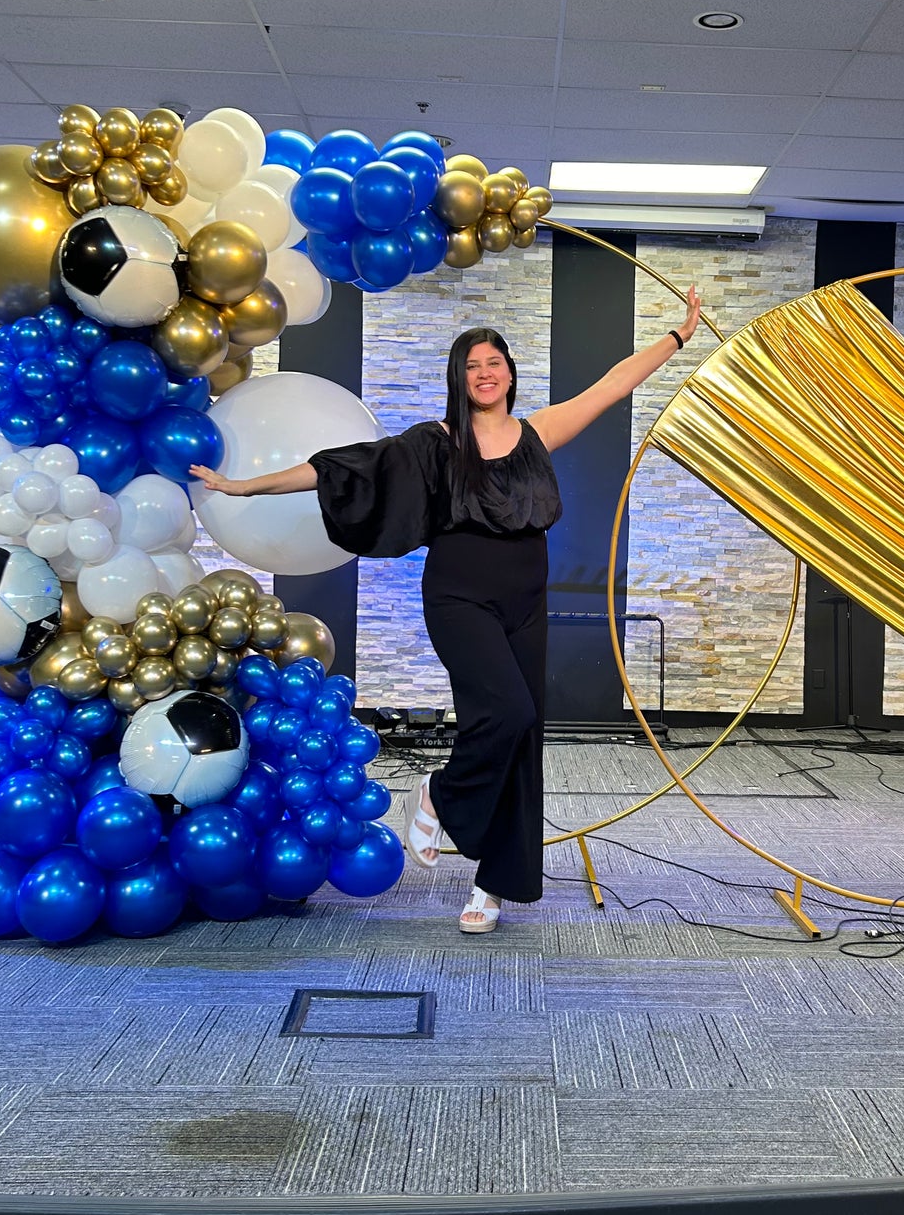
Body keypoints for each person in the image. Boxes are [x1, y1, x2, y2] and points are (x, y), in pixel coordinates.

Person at [191, 290, 702, 934]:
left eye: (494, 363)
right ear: (459, 379)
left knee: (523, 735)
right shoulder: (436, 442)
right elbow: (341, 469)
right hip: (459, 595)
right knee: (506, 712)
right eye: (471, 366)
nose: (484, 374)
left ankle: (491, 887)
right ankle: (438, 794)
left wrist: (677, 337)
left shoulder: (539, 433)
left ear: (510, 372)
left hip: (526, 598)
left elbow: (613, 385)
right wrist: (243, 486)